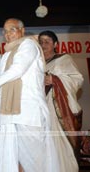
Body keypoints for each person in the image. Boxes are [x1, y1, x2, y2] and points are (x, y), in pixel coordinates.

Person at [0, 18, 59, 172]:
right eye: (5, 31)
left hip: (28, 112)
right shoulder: (7, 54)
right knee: (11, 160)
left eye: (12, 29)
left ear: (22, 30)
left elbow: (18, 69)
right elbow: (4, 85)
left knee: (36, 162)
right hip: (8, 115)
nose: (8, 34)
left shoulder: (29, 45)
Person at [39, 30, 83, 170]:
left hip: (58, 111)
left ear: (55, 44)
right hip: (40, 110)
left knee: (60, 146)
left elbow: (77, 79)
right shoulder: (36, 63)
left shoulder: (64, 59)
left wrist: (54, 79)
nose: (43, 45)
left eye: (47, 42)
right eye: (41, 42)